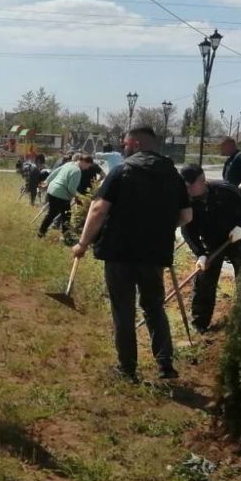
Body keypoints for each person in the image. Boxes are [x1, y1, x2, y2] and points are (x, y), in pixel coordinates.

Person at [72, 127, 192, 382]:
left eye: (125, 144)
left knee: (123, 310)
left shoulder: (122, 171)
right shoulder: (173, 175)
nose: (123, 148)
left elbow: (98, 210)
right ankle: (165, 365)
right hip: (154, 254)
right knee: (154, 307)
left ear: (136, 144)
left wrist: (83, 243)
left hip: (120, 252)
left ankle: (127, 369)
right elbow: (186, 216)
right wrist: (160, 228)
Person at [179, 164, 241, 333]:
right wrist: (200, 253)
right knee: (204, 280)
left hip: (235, 238)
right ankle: (200, 323)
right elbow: (187, 230)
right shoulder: (186, 200)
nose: (188, 190)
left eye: (191, 186)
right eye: (185, 186)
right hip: (211, 244)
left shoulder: (224, 189)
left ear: (202, 180)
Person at [37, 154, 92, 238]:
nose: (87, 168)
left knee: (52, 213)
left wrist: (46, 181)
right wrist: (82, 198)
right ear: (84, 162)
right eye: (88, 166)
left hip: (52, 190)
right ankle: (66, 237)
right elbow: (71, 189)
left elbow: (54, 172)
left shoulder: (68, 164)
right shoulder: (77, 171)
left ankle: (41, 233)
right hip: (61, 194)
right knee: (66, 216)